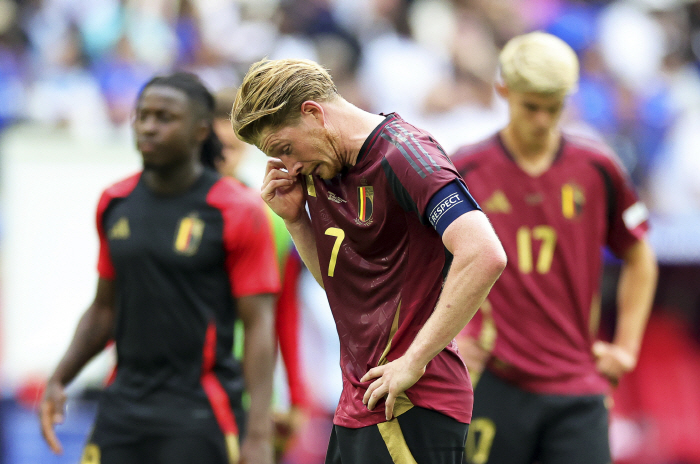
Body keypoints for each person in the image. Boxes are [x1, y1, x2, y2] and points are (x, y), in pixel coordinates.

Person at [230, 58, 507, 464]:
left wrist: (413, 360)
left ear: (313, 113)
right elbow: (344, 287)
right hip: (358, 401)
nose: (289, 167)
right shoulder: (323, 168)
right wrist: (296, 223)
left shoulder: (406, 155)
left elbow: (484, 253)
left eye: (285, 149)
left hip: (410, 402)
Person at [39, 72, 281, 464]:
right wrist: (59, 378)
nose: (148, 127)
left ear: (200, 130)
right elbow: (104, 309)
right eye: (142, 115)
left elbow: (258, 325)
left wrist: (259, 436)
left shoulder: (236, 209)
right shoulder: (115, 202)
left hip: (199, 412)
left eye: (164, 118)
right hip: (122, 407)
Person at [450, 32, 659, 464]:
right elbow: (431, 263)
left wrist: (626, 348)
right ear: (503, 89)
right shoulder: (465, 169)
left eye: (554, 107)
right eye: (531, 106)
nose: (543, 120)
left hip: (577, 386)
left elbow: (640, 256)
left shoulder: (597, 167)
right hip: (494, 382)